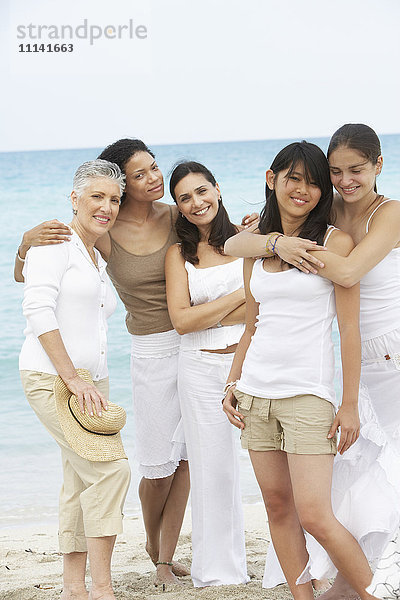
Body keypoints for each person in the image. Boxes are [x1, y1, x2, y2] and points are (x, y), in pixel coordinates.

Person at [14, 138, 257, 586]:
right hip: (149, 351)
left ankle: (165, 557)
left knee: (187, 458)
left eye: (153, 168)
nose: (153, 179)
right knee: (157, 465)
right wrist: (25, 243)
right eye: (139, 174)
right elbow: (37, 277)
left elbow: (211, 244)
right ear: (122, 185)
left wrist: (253, 229)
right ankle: (152, 546)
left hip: (196, 342)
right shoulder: (104, 226)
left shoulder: (175, 216)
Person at [224, 124, 400, 599]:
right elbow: (251, 318)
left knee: (329, 508)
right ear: (272, 178)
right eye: (333, 172)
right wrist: (231, 382)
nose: (308, 188)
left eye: (315, 181)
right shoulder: (278, 236)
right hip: (269, 388)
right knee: (292, 503)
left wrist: (347, 404)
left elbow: (347, 304)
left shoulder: (352, 233)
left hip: (340, 380)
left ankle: (377, 591)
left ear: (378, 166)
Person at [19, 159, 131, 600]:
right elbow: (37, 310)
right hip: (54, 380)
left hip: (90, 382)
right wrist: (73, 379)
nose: (106, 207)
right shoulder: (53, 246)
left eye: (115, 199)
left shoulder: (96, 256)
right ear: (74, 198)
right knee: (111, 471)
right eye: (97, 197)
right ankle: (101, 588)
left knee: (78, 481)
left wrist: (88, 382)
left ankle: (73, 590)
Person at [165, 161, 248, 587]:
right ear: (178, 207)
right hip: (197, 368)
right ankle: (220, 574)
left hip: (251, 363)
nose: (197, 202)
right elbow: (181, 321)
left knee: (280, 466)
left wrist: (205, 315)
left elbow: (264, 304)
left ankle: (292, 565)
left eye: (202, 191)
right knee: (212, 469)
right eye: (185, 198)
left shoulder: (248, 240)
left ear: (217, 188)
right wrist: (238, 297)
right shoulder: (179, 254)